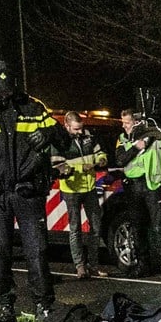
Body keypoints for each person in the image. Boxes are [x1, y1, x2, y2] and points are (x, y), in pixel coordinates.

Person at [0, 60, 70, 320]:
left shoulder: (32, 107)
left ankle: (44, 304)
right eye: (0, 88)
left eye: (9, 88)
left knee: (37, 250)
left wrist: (48, 134)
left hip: (28, 191)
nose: (6, 93)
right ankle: (3, 304)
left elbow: (64, 142)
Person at [111, 108, 161, 278]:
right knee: (137, 227)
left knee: (158, 226)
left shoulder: (160, 138)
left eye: (127, 123)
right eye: (123, 123)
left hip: (153, 186)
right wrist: (135, 148)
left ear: (138, 122)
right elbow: (120, 159)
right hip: (133, 187)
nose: (124, 126)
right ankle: (143, 265)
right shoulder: (123, 139)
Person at [53, 111, 107, 278]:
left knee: (96, 227)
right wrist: (77, 169)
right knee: (75, 229)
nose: (79, 132)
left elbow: (100, 152)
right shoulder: (60, 141)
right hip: (71, 189)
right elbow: (57, 165)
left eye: (81, 128)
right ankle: (80, 267)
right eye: (76, 129)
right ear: (67, 126)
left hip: (89, 187)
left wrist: (101, 160)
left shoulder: (88, 137)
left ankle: (93, 265)